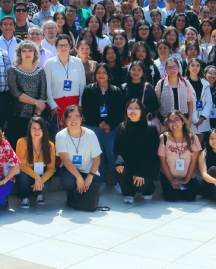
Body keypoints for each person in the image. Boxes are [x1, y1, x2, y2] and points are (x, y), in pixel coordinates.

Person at [81, 64, 123, 195]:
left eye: (104, 72)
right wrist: (99, 122)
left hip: (111, 127)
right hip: (94, 126)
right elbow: (86, 109)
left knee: (111, 153)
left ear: (109, 75)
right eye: (98, 72)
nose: (101, 75)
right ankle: (100, 181)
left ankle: (117, 182)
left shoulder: (116, 90)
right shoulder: (89, 89)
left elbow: (119, 111)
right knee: (97, 154)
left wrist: (109, 123)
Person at [114, 98, 159, 203]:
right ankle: (128, 193)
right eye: (130, 108)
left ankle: (149, 189)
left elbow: (152, 153)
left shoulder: (151, 128)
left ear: (142, 110)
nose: (132, 111)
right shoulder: (122, 127)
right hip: (130, 165)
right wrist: (119, 161)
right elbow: (117, 149)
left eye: (136, 108)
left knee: (143, 185)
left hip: (146, 166)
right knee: (119, 169)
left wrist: (141, 172)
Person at [13, 116, 56, 207]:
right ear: (29, 129)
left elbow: (51, 168)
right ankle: (24, 197)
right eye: (34, 128)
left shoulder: (50, 145)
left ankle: (39, 193)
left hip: (41, 174)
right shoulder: (22, 142)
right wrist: (36, 177)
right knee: (23, 177)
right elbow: (21, 165)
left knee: (45, 188)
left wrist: (41, 180)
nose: (37, 132)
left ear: (44, 130)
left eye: (40, 129)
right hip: (27, 173)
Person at [44, 34, 85, 128]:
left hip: (75, 104)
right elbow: (47, 86)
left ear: (70, 46)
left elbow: (82, 84)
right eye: (60, 45)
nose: (63, 48)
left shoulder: (78, 62)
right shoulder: (49, 63)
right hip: (56, 105)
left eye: (66, 45)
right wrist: (52, 105)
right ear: (56, 47)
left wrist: (80, 104)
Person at [158, 111, 200, 202]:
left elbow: (194, 162)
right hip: (169, 177)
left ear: (183, 122)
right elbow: (163, 162)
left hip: (187, 177)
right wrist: (172, 180)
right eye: (170, 121)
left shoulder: (193, 138)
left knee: (190, 196)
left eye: (176, 120)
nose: (173, 124)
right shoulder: (164, 138)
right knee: (172, 196)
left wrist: (186, 180)